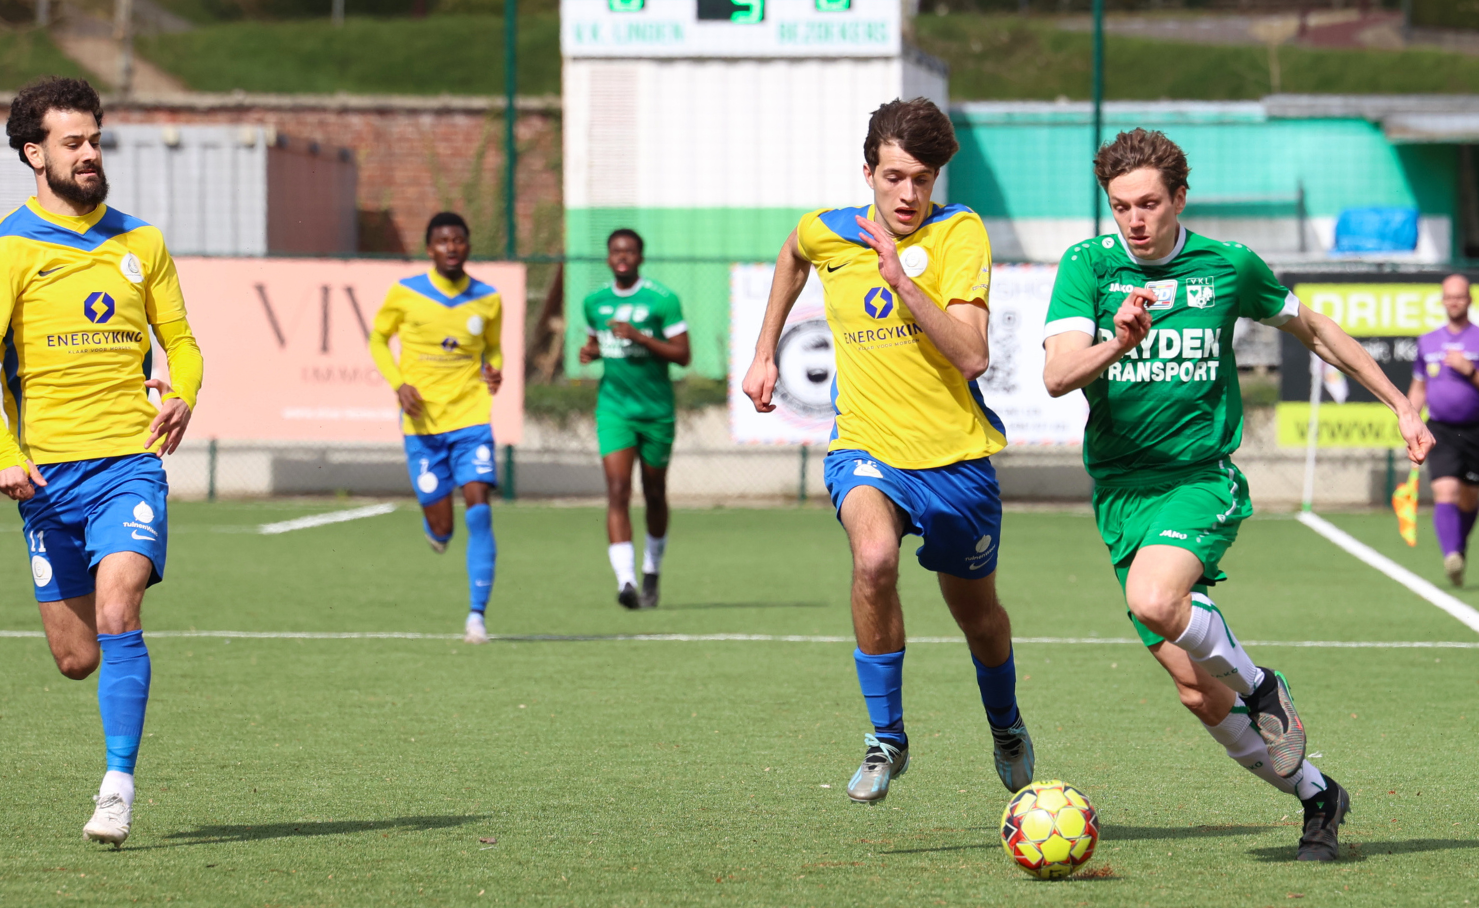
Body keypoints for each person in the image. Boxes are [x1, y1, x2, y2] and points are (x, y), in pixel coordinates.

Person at [1041, 128, 1432, 861]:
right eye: (1121, 205)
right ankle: (1319, 794)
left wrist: (1399, 406)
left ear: (1179, 198)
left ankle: (1262, 686)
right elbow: (1059, 376)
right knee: (1196, 693)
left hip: (1199, 478)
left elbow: (1313, 328)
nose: (1135, 219)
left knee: (1158, 602)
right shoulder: (1087, 266)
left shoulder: (1226, 267)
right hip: (1121, 493)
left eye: (1150, 203)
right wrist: (1118, 343)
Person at [742, 98, 1033, 805]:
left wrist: (903, 280)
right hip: (865, 447)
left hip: (956, 462)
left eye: (923, 180)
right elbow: (793, 252)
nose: (908, 194)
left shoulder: (961, 233)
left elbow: (970, 354)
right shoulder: (829, 232)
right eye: (896, 177)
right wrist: (764, 352)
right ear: (868, 172)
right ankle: (887, 740)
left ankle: (1005, 725)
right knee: (872, 560)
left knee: (980, 619)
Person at [0, 77, 204, 846]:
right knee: (76, 658)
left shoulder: (142, 242)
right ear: (33, 153)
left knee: (119, 612)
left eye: (96, 139)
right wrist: (3, 455)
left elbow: (183, 343)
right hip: (45, 478)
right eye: (73, 142)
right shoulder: (5, 247)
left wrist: (187, 394)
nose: (89, 154)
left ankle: (117, 786)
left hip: (128, 464)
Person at [371, 212, 503, 644]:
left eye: (459, 240)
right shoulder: (405, 293)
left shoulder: (488, 299)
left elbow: (494, 347)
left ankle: (476, 616)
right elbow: (378, 338)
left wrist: (494, 370)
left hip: (471, 418)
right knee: (442, 523)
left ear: (468, 246)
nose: (451, 247)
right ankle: (436, 530)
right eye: (443, 241)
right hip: (422, 424)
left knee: (479, 509)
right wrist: (398, 384)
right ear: (430, 248)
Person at [579, 229, 690, 609]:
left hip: (656, 412)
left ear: (640, 257)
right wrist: (591, 352)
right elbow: (597, 342)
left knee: (655, 492)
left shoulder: (662, 300)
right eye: (615, 252)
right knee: (617, 490)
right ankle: (626, 581)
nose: (622, 257)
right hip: (614, 409)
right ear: (608, 258)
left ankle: (651, 571)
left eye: (629, 251)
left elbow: (682, 354)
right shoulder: (594, 302)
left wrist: (641, 338)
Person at [1408, 274, 1479, 586]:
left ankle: (1459, 548)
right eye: (1449, 296)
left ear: (1469, 300)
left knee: (1469, 498)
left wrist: (1469, 370)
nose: (1454, 301)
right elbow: (1419, 388)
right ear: (1442, 300)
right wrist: (1411, 424)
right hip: (1442, 430)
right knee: (1445, 491)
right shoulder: (1428, 341)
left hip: (1476, 431)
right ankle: (1451, 554)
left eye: (1460, 296)